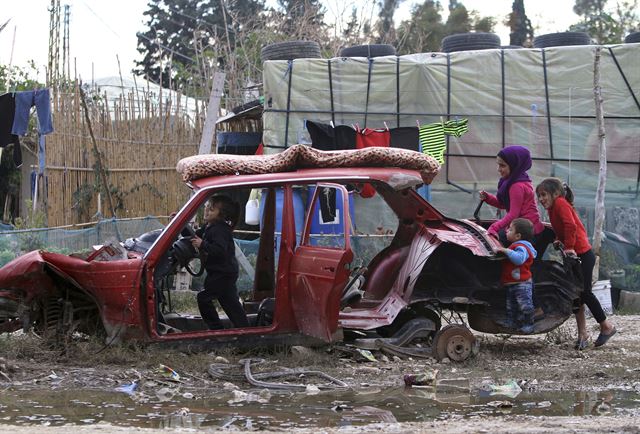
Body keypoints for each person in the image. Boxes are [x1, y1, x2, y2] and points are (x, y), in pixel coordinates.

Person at [536, 178, 616, 350]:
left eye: (543, 195)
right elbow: (562, 229)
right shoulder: (552, 208)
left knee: (585, 293)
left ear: (555, 193)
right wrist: (559, 240)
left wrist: (570, 246)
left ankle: (606, 326)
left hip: (582, 255)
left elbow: (570, 226)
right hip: (572, 255)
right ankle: (583, 334)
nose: (541, 199)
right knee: (576, 295)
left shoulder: (560, 204)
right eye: (539, 196)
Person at [190, 195, 249, 330]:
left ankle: (216, 329)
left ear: (221, 215)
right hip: (223, 272)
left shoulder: (220, 230)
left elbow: (219, 250)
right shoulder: (209, 226)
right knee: (230, 303)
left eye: (211, 210)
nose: (206, 211)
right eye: (206, 207)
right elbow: (194, 236)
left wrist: (202, 244)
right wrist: (179, 224)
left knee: (204, 298)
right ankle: (245, 330)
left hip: (222, 273)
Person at [480, 145, 545, 249]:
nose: (499, 169)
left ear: (515, 165)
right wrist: (488, 198)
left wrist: (494, 227)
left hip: (526, 232)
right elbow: (504, 204)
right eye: (498, 165)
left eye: (502, 166)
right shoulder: (515, 180)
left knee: (495, 245)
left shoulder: (516, 185)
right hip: (520, 227)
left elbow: (513, 213)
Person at [495, 218, 537, 333]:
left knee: (525, 305)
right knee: (511, 306)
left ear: (518, 236)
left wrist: (505, 250)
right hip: (513, 283)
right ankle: (511, 322)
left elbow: (519, 260)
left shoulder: (521, 246)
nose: (507, 231)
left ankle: (529, 324)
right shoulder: (517, 245)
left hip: (522, 284)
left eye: (510, 229)